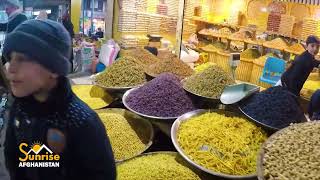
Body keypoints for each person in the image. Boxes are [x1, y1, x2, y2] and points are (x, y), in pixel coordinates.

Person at [2, 19, 116, 180]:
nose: (10, 69)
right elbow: (12, 158)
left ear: (53, 69)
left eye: (22, 59)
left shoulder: (82, 121)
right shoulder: (19, 109)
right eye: (10, 58)